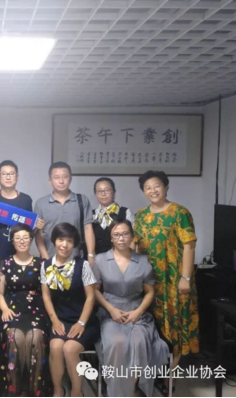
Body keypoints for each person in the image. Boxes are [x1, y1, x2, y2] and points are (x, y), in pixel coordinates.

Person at [134, 170, 198, 395]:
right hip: (150, 283)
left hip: (174, 281)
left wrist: (185, 278)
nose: (153, 190)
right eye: (148, 188)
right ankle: (151, 375)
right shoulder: (140, 216)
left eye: (157, 186)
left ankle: (170, 378)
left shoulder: (180, 213)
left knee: (174, 329)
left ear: (166, 187)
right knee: (153, 329)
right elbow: (135, 247)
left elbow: (189, 246)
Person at [93, 219, 169, 397]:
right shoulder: (100, 260)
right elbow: (95, 290)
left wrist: (138, 312)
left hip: (136, 310)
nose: (121, 238)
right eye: (116, 235)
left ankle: (132, 388)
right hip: (110, 311)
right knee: (117, 343)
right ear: (111, 238)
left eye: (125, 234)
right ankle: (117, 391)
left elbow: (149, 292)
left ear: (132, 236)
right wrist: (111, 310)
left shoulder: (142, 261)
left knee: (139, 342)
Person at [41, 223, 99, 398]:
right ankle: (58, 390)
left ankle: (77, 392)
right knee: (55, 346)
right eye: (60, 240)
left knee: (70, 349)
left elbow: (91, 297)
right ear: (54, 241)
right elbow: (46, 296)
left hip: (84, 320)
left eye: (69, 241)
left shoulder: (82, 265)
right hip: (59, 319)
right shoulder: (46, 265)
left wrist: (81, 323)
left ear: (74, 244)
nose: (64, 245)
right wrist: (54, 320)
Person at [0, 223, 47, 397]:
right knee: (14, 336)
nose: (22, 241)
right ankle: (13, 390)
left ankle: (35, 390)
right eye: (18, 238)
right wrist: (4, 308)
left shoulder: (41, 263)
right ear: (12, 241)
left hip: (36, 310)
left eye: (26, 238)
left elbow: (47, 293)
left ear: (31, 240)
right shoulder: (5, 263)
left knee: (36, 337)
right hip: (12, 309)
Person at [34, 162, 96, 264]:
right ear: (50, 181)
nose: (61, 181)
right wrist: (46, 259)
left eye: (65, 177)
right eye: (57, 177)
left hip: (76, 259)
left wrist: (91, 255)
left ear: (70, 179)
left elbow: (88, 228)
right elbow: (39, 234)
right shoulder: (41, 203)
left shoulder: (82, 200)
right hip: (51, 258)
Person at [92, 177, 134, 255]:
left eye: (107, 190)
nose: (103, 194)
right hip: (96, 258)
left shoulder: (125, 212)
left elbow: (133, 239)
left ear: (114, 193)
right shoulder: (91, 214)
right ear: (95, 194)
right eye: (99, 191)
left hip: (121, 257)